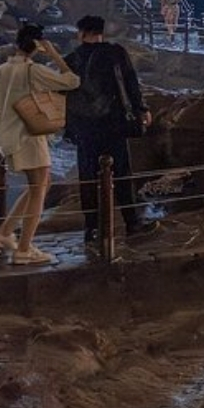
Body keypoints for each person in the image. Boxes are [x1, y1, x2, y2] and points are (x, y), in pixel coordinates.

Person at [0, 23, 81, 264]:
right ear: (37, 45)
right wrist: (54, 55)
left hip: (8, 135)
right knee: (40, 187)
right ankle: (25, 248)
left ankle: (5, 232)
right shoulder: (33, 70)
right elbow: (72, 81)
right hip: (28, 136)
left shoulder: (3, 70)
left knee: (39, 185)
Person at [65, 15, 156, 244]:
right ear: (101, 32)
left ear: (81, 33)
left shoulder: (72, 59)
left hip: (85, 128)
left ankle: (92, 228)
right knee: (123, 172)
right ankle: (132, 222)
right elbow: (130, 82)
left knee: (87, 177)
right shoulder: (116, 53)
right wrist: (141, 108)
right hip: (114, 123)